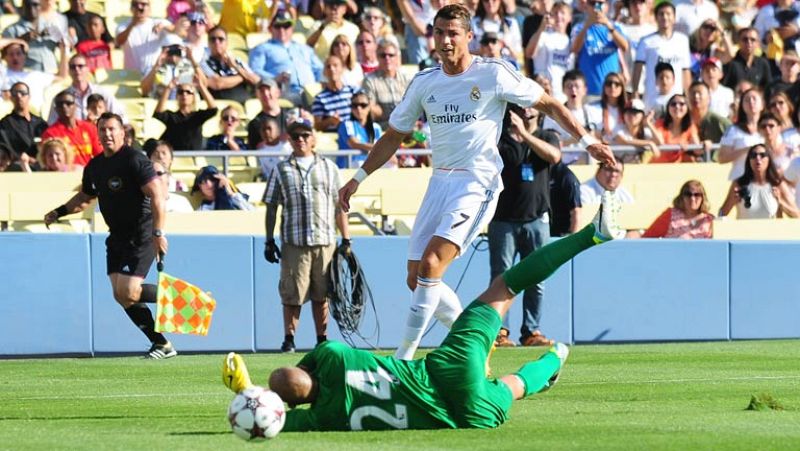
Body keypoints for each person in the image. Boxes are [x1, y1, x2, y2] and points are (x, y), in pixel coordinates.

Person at [338, 4, 615, 361]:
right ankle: (473, 341)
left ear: (469, 37)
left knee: (431, 265)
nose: (446, 40)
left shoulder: (493, 73)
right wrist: (358, 177)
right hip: (439, 182)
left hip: (477, 181)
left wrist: (587, 140)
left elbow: (547, 103)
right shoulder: (425, 82)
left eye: (453, 33)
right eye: (439, 32)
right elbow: (394, 135)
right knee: (417, 278)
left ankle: (401, 359)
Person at [222, 191, 625, 431]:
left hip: (462, 413)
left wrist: (246, 395)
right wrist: (251, 390)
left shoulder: (323, 419)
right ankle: (592, 235)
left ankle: (555, 358)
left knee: (510, 389)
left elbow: (268, 422)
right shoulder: (331, 357)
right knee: (506, 285)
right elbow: (289, 387)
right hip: (445, 369)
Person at [43, 112, 174, 359]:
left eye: (112, 129)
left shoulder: (134, 159)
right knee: (120, 294)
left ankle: (176, 298)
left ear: (123, 132)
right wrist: (59, 212)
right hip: (117, 237)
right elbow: (84, 197)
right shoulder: (95, 166)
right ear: (98, 134)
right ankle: (161, 344)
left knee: (129, 290)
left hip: (141, 233)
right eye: (102, 130)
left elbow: (158, 193)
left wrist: (159, 232)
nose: (107, 134)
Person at [263, 118, 351, 353]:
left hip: (325, 240)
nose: (300, 140)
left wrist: (347, 239)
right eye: (295, 136)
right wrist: (269, 239)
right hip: (295, 241)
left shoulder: (329, 168)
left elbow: (339, 205)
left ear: (313, 138)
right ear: (289, 140)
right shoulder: (281, 169)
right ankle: (289, 338)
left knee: (323, 294)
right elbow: (272, 206)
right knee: (292, 293)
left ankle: (321, 338)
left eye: (304, 135)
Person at [489, 104, 561, 348]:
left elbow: (554, 156)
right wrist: (515, 132)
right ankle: (499, 330)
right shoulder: (500, 138)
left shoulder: (547, 136)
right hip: (503, 220)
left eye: (531, 105)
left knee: (536, 277)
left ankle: (531, 330)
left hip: (536, 219)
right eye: (521, 106)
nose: (526, 110)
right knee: (501, 278)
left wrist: (526, 134)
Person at [249, 10, 324, 108]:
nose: (282, 30)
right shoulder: (262, 48)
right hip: (284, 92)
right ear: (271, 28)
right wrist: (274, 78)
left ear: (292, 28)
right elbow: (254, 71)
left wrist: (319, 85)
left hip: (312, 91)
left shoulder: (304, 48)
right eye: (278, 26)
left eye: (286, 26)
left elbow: (319, 69)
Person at [632, 2, 691, 113]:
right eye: (661, 14)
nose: (665, 17)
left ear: (674, 17)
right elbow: (637, 67)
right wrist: (635, 91)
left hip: (676, 98)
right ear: (656, 17)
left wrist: (688, 95)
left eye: (668, 14)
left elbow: (686, 70)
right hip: (652, 96)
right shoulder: (646, 41)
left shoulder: (682, 40)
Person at [719, 144, 799, 219]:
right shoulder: (739, 183)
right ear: (749, 160)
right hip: (745, 233)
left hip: (771, 233)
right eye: (753, 155)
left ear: (769, 159)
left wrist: (781, 203)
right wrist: (732, 202)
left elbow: (797, 215)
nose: (758, 158)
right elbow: (721, 214)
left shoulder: (777, 184)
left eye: (762, 155)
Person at [570, 0, 629, 97]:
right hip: (588, 92)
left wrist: (608, 26)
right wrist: (587, 26)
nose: (597, 7)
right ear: (586, 6)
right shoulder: (579, 28)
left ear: (607, 6)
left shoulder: (616, 26)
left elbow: (624, 47)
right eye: (592, 3)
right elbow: (574, 49)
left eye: (600, 3)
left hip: (611, 91)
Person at [47, 54, 127, 124]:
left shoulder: (102, 92)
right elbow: (52, 123)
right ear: (69, 71)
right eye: (73, 67)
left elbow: (120, 116)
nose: (77, 69)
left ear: (87, 69)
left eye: (80, 66)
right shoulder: (62, 98)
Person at [41, 90, 103, 167]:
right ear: (56, 109)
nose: (64, 106)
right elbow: (49, 163)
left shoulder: (89, 128)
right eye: (60, 104)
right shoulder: (50, 133)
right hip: (66, 176)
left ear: (75, 106)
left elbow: (100, 155)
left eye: (68, 103)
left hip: (89, 175)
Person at [526, 2, 573, 102]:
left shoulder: (571, 42)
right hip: (543, 94)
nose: (559, 16)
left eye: (562, 13)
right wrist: (541, 28)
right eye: (555, 13)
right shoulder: (543, 36)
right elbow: (529, 54)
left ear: (570, 18)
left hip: (563, 98)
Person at [634, 180, 714, 238]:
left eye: (697, 195)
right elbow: (648, 237)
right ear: (682, 197)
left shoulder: (709, 219)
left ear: (703, 198)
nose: (692, 198)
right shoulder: (670, 215)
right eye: (688, 194)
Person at [153, 77, 218, 150]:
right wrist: (168, 89)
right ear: (177, 96)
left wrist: (201, 87)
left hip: (194, 157)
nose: (184, 94)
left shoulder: (197, 116)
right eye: (181, 92)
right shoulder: (172, 117)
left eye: (188, 92)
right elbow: (158, 113)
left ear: (193, 97)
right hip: (175, 157)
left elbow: (213, 109)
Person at [202, 26, 261, 104]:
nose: (217, 42)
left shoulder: (237, 61)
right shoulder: (204, 63)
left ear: (227, 43)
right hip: (221, 104)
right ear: (208, 43)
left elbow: (256, 81)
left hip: (245, 103)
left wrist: (236, 67)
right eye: (213, 39)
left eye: (221, 39)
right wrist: (243, 77)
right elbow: (217, 83)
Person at [115, 0, 175, 74]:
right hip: (131, 75)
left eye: (143, 4)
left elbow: (179, 32)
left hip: (152, 75)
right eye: (135, 4)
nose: (139, 7)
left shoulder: (157, 22)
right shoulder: (123, 26)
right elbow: (119, 42)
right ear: (131, 8)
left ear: (149, 8)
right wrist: (133, 24)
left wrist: (165, 27)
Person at [2, 0, 61, 73]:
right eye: (27, 5)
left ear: (41, 7)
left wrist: (60, 37)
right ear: (22, 7)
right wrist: (20, 40)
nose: (31, 8)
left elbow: (68, 46)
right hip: (26, 74)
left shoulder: (51, 26)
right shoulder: (11, 30)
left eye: (35, 5)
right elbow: (4, 54)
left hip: (52, 72)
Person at [718, 88, 764, 180]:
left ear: (762, 104)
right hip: (740, 178)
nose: (751, 102)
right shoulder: (734, 130)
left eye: (754, 98)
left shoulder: (769, 127)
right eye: (747, 100)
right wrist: (747, 150)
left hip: (764, 181)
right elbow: (722, 158)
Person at [361, 40, 409, 129]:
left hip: (406, 125)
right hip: (383, 127)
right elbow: (369, 109)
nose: (387, 58)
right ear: (377, 58)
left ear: (397, 57)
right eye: (383, 55)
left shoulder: (406, 80)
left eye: (391, 55)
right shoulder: (370, 80)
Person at [0, 81, 47, 168]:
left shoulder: (40, 123)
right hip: (17, 166)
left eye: (22, 93)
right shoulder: (5, 124)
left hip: (42, 165)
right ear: (11, 97)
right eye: (15, 93)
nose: (19, 96)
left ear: (29, 97)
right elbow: (5, 147)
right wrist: (22, 157)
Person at [336, 91, 383, 168]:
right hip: (348, 166)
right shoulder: (346, 125)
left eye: (363, 105)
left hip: (368, 166)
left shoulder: (376, 127)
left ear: (369, 107)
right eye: (354, 105)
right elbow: (354, 144)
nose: (358, 108)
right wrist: (382, 149)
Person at [312, 55, 359, 132]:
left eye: (335, 65)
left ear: (342, 69)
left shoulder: (354, 91)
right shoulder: (319, 98)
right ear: (324, 72)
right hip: (334, 135)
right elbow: (317, 126)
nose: (332, 69)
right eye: (328, 67)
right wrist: (330, 121)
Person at [687, 81, 731, 158]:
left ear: (709, 98)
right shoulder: (681, 120)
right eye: (693, 93)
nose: (696, 96)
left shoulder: (720, 121)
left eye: (700, 93)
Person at [653, 93, 700, 163]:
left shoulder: (691, 127)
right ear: (668, 108)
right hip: (657, 167)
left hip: (678, 170)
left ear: (687, 108)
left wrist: (705, 144)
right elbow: (660, 143)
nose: (677, 107)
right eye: (673, 104)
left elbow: (698, 150)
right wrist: (649, 124)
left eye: (681, 104)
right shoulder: (660, 123)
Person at [611, 98, 662, 163]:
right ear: (623, 115)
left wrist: (648, 122)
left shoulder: (645, 131)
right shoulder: (618, 128)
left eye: (635, 112)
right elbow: (623, 141)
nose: (631, 116)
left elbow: (659, 141)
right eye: (628, 112)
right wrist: (649, 143)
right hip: (617, 168)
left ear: (642, 116)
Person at [721, 27, 771, 92]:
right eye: (745, 39)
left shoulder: (763, 64)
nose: (749, 42)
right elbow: (724, 88)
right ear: (738, 42)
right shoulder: (731, 64)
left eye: (753, 40)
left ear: (758, 43)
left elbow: (767, 89)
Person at [246, 78, 288, 149]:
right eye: (262, 91)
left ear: (278, 92)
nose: (265, 93)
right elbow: (254, 149)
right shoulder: (255, 123)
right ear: (258, 95)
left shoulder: (290, 117)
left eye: (268, 89)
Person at [586, 71, 626, 142]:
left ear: (622, 87)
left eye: (617, 84)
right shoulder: (592, 108)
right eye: (609, 83)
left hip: (626, 149)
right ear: (604, 87)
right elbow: (590, 132)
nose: (612, 87)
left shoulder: (628, 109)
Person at [549, 160, 582, 237]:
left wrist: (572, 239)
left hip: (560, 235)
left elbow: (576, 211)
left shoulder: (566, 176)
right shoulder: (542, 172)